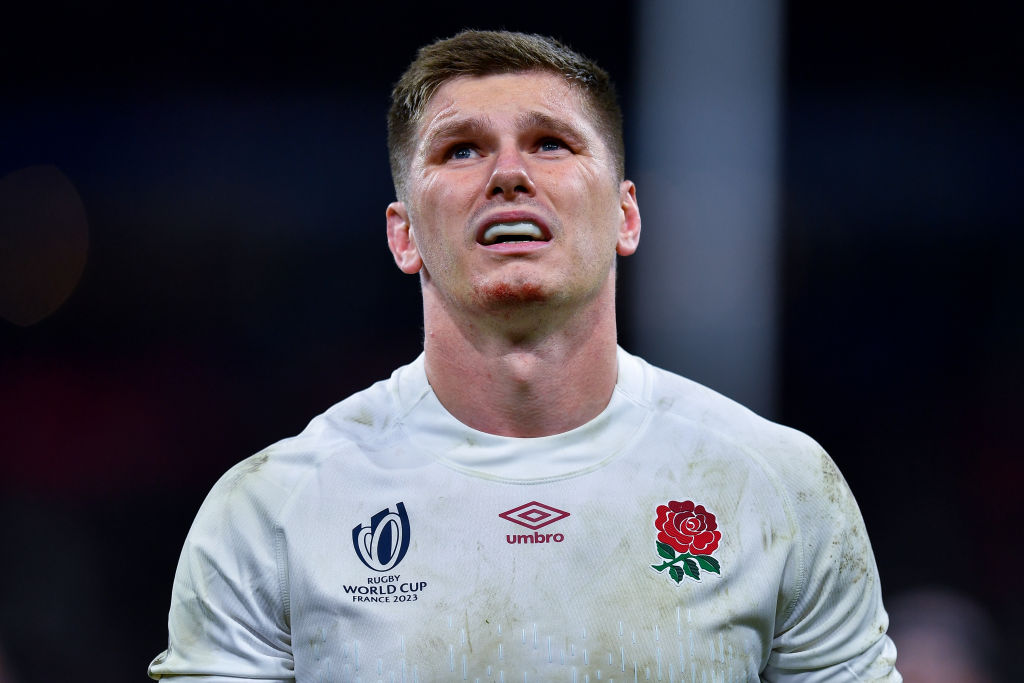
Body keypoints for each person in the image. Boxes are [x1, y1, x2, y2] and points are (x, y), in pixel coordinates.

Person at [150, 30, 900, 681]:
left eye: (550, 142)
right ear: (403, 233)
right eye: (462, 148)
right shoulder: (270, 511)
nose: (509, 174)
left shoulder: (780, 488)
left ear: (626, 215)